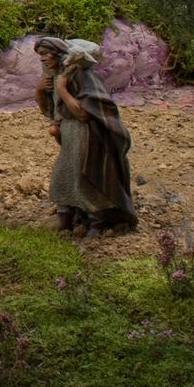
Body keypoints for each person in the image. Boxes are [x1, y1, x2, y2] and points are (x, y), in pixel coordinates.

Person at [34, 37, 137, 238]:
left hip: (87, 134)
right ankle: (66, 221)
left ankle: (95, 224)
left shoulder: (82, 76)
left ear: (59, 54)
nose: (43, 59)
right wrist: (40, 90)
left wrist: (62, 89)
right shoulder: (55, 76)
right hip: (69, 134)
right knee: (62, 176)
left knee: (86, 177)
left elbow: (83, 113)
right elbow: (50, 110)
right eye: (40, 55)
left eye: (47, 54)